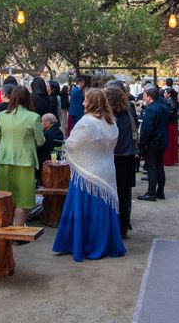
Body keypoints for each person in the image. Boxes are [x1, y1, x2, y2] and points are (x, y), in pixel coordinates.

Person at [53, 89, 126, 262]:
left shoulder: (87, 122)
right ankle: (105, 243)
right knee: (102, 209)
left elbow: (72, 144)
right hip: (106, 169)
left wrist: (65, 145)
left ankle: (84, 244)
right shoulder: (111, 122)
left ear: (92, 102)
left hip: (87, 172)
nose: (83, 103)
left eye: (85, 100)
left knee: (85, 210)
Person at [0, 85, 45, 227]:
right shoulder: (34, 117)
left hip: (4, 159)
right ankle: (17, 231)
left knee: (5, 197)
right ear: (28, 99)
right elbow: (40, 141)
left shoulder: (2, 115)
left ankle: (6, 226)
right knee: (22, 200)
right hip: (25, 161)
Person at [105, 86, 138, 238]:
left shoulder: (109, 116)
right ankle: (123, 225)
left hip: (114, 158)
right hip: (129, 156)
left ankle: (113, 226)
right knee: (125, 194)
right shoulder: (129, 110)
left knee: (112, 193)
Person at [137, 87, 169, 202]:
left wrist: (144, 144)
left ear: (149, 96)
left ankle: (151, 193)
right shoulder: (163, 107)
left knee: (152, 168)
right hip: (162, 141)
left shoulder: (150, 109)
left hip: (153, 142)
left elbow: (147, 129)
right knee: (159, 167)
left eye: (144, 95)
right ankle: (160, 191)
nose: (143, 97)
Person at [162, 88, 179, 166]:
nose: (164, 94)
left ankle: (168, 160)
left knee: (169, 142)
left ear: (169, 94)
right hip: (172, 124)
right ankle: (171, 159)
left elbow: (169, 113)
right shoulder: (172, 101)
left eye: (165, 93)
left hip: (170, 124)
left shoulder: (170, 102)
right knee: (172, 142)